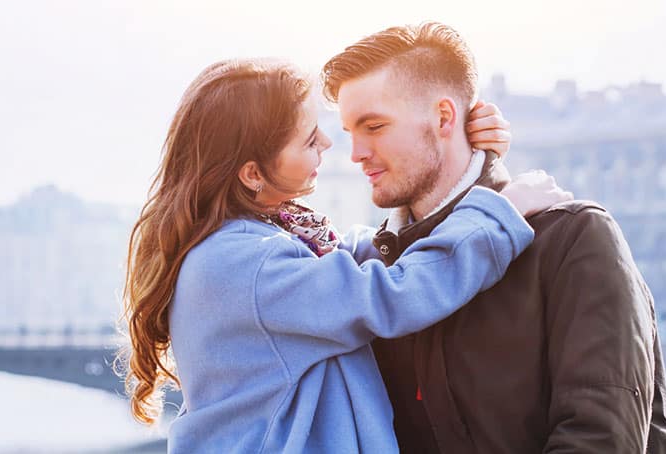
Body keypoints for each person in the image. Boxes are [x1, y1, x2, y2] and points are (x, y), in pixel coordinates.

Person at [118, 58, 571, 453]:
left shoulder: (256, 243)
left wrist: (469, 158)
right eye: (310, 140)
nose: (331, 146)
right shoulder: (248, 266)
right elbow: (396, 291)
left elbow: (367, 252)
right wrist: (502, 210)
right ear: (253, 173)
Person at [322, 21, 666, 453]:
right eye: (350, 134)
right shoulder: (376, 274)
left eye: (373, 127)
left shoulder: (572, 241)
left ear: (443, 117)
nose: (356, 153)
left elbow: (599, 440)